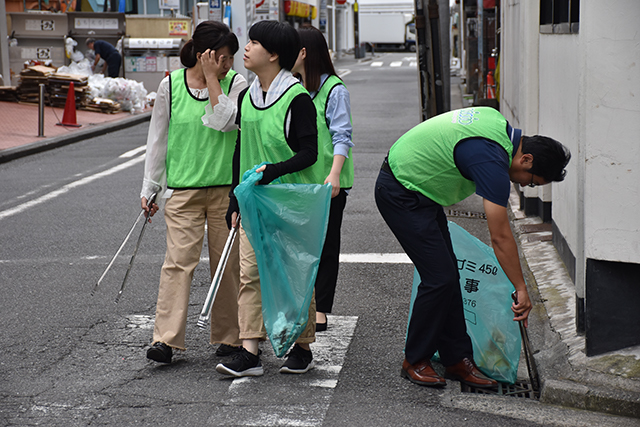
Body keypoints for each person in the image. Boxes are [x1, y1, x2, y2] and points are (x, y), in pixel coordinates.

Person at [374, 107, 570, 388]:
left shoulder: (497, 126)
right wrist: (521, 288)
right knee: (439, 278)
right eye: (531, 180)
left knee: (448, 275)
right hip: (400, 192)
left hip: (421, 192)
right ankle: (414, 360)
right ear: (526, 158)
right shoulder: (490, 159)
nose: (524, 185)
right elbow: (500, 236)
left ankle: (456, 359)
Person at [216, 20, 323, 377]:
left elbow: (310, 152)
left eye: (254, 43)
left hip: (289, 201)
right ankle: (250, 351)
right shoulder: (247, 97)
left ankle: (302, 345)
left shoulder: (296, 99)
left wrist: (273, 170)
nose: (246, 49)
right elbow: (239, 150)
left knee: (293, 273)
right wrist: (234, 198)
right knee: (250, 273)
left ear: (274, 55)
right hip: (253, 201)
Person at [141, 21, 248, 364]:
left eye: (231, 57)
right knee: (177, 264)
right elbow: (158, 139)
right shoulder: (170, 85)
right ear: (205, 54)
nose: (229, 62)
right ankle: (165, 340)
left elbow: (226, 121)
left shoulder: (236, 84)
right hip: (183, 191)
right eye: (223, 57)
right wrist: (151, 186)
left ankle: (230, 338)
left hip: (225, 191)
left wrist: (214, 78)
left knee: (227, 266)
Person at [291, 26, 354, 332]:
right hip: (300, 180)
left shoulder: (334, 90)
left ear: (304, 53)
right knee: (301, 246)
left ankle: (321, 308)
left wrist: (335, 174)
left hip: (328, 183)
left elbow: (342, 136)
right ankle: (303, 302)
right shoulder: (294, 88)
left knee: (326, 246)